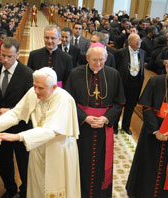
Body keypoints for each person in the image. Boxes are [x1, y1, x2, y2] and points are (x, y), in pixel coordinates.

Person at [0, 67, 81, 198]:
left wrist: (17, 136)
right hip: (37, 148)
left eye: (40, 88)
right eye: (34, 86)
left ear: (53, 87)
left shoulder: (64, 99)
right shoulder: (33, 92)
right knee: (37, 186)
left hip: (58, 151)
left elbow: (51, 130)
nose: (36, 91)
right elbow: (16, 113)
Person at [126, 55, 168, 198]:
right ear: (166, 67)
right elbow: (146, 108)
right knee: (148, 164)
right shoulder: (155, 81)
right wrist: (155, 130)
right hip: (153, 132)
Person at [65, 43, 125, 198]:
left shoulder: (114, 74)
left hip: (104, 129)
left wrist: (106, 118)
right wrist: (85, 118)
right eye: (94, 60)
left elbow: (120, 102)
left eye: (102, 60)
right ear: (87, 58)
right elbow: (68, 102)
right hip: (82, 129)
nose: (98, 64)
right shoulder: (75, 74)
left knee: (101, 165)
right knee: (81, 164)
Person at [0, 37, 33, 198]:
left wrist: (11, 111)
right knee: (4, 162)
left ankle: (25, 190)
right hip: (0, 126)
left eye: (10, 56)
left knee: (23, 162)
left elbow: (30, 103)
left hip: (21, 127)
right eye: (3, 55)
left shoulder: (27, 74)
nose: (5, 60)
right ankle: (10, 188)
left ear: (18, 54)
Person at [114, 33, 145, 135]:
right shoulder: (120, 53)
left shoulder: (142, 53)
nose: (139, 42)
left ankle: (125, 126)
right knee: (119, 105)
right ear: (130, 42)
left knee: (130, 107)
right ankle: (114, 126)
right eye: (137, 40)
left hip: (136, 84)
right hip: (123, 84)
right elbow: (115, 69)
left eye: (140, 40)